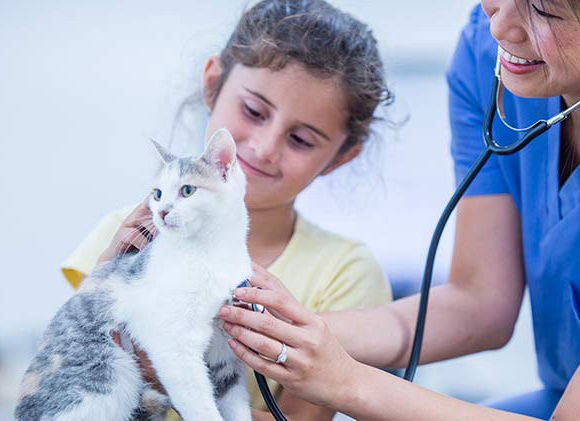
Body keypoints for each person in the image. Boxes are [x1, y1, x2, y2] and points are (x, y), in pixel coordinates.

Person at [218, 0, 580, 419]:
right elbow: (480, 303)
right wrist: (276, 332)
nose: (500, 26)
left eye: (543, 11)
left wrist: (346, 381)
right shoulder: (494, 54)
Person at [60, 1, 394, 420]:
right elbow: (74, 377)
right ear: (213, 84)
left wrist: (176, 378)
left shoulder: (347, 272)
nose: (264, 147)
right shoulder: (123, 233)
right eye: (254, 111)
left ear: (340, 157)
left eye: (301, 139)